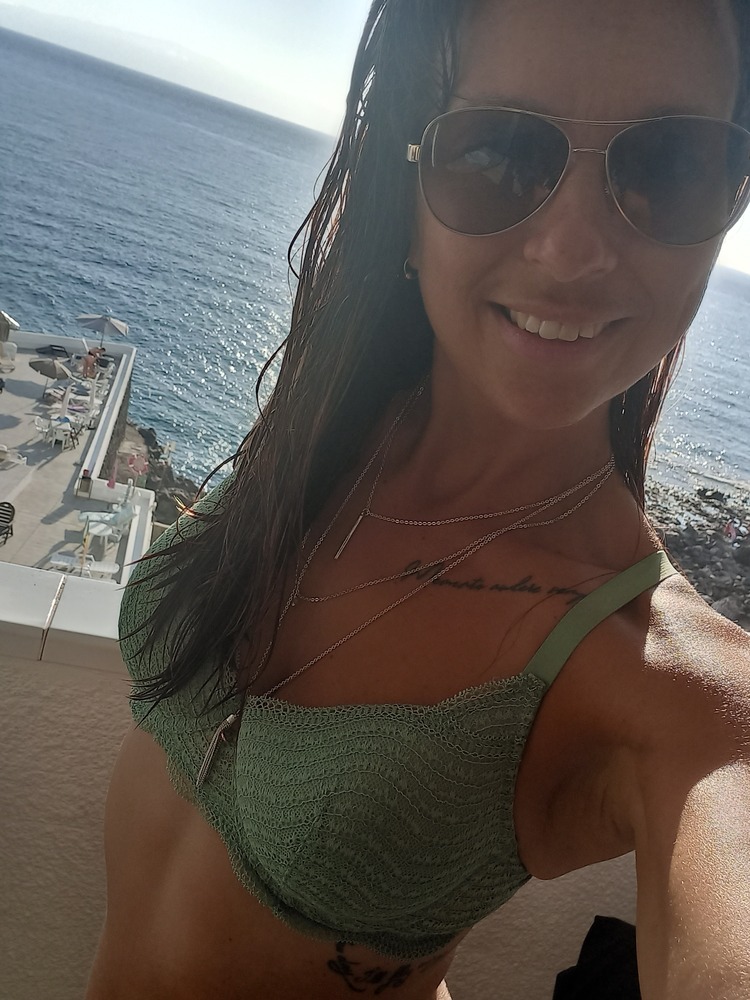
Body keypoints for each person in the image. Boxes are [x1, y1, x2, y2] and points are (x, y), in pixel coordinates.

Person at [86, 1, 750, 998]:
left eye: (671, 165)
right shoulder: (331, 431)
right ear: (405, 187)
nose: (572, 249)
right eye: (497, 151)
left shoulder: (670, 689)